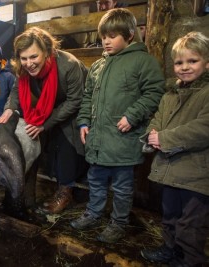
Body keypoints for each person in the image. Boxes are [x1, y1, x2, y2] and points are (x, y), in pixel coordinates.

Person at [69, 8, 165, 244]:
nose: (106, 41)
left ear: (130, 35)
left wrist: (132, 115)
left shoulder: (143, 62)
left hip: (124, 140)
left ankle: (119, 223)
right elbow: (88, 96)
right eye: (104, 36)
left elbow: (155, 92)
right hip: (99, 140)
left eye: (112, 36)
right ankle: (94, 213)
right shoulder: (99, 66)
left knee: (122, 187)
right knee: (96, 180)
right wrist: (83, 121)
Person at [0, 26, 88, 214]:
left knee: (65, 142)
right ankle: (26, 195)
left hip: (73, 107)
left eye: (34, 57)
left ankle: (65, 191)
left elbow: (75, 100)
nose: (29, 63)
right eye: (24, 58)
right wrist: (10, 109)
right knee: (32, 140)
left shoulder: (69, 64)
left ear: (47, 51)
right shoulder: (23, 68)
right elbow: (15, 91)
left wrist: (44, 125)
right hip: (45, 107)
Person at [140, 31, 209, 267]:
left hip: (196, 173)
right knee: (169, 216)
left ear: (207, 62)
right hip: (170, 169)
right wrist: (151, 135)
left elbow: (203, 129)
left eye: (193, 61)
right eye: (179, 62)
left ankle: (190, 260)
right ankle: (169, 249)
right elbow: (157, 119)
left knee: (190, 224)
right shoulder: (170, 94)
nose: (184, 67)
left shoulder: (206, 93)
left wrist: (164, 138)